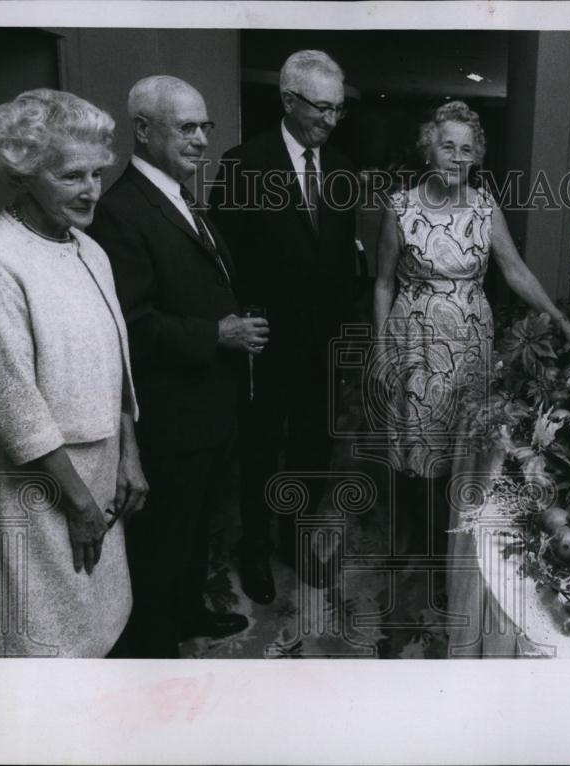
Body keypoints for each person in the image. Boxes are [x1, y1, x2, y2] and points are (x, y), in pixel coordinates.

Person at [0, 89, 148, 657]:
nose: (91, 190)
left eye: (96, 172)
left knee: (98, 624)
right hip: (38, 485)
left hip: (97, 467)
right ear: (25, 173)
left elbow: (117, 363)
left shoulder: (90, 248)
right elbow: (13, 404)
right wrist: (81, 505)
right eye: (70, 176)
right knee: (42, 639)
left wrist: (128, 453)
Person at [88, 76, 263, 658]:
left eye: (203, 127)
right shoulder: (119, 210)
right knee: (163, 543)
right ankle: (156, 657)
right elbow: (131, 326)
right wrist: (217, 333)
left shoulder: (180, 197)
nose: (200, 141)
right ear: (142, 130)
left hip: (208, 407)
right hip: (170, 416)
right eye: (185, 127)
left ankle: (187, 614)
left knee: (195, 532)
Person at [373, 100, 570, 577]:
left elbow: (514, 271)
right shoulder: (400, 205)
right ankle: (410, 538)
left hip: (470, 340)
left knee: (460, 444)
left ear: (478, 157)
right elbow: (384, 282)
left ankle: (447, 549)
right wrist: (382, 342)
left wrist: (559, 317)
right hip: (416, 337)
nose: (457, 157)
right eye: (447, 146)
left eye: (467, 149)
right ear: (429, 148)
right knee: (415, 442)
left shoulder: (486, 206)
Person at [209, 50, 359, 603]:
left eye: (339, 109)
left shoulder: (342, 169)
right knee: (260, 449)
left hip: (323, 345)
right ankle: (254, 546)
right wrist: (239, 322)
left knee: (313, 449)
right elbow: (222, 260)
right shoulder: (243, 165)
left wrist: (346, 332)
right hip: (265, 343)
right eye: (321, 108)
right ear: (289, 101)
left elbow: (344, 260)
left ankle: (295, 537)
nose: (331, 120)